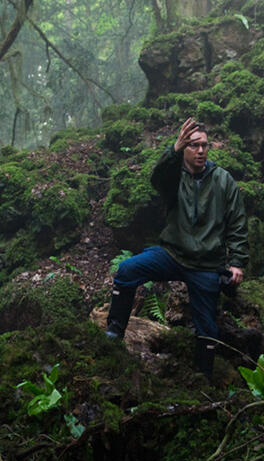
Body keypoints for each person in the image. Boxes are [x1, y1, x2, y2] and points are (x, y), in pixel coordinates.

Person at [105, 118, 248, 380]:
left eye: (204, 145)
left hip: (206, 264)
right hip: (172, 254)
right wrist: (173, 149)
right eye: (194, 145)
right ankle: (113, 334)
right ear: (185, 148)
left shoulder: (223, 180)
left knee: (208, 329)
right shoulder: (174, 177)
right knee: (126, 270)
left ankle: (201, 380)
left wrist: (237, 262)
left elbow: (237, 222)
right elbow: (157, 177)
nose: (201, 151)